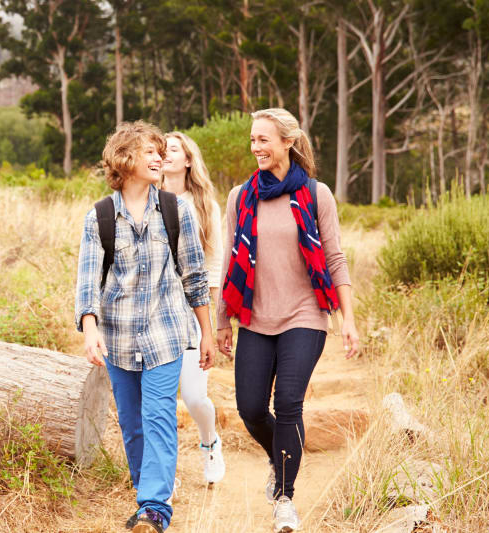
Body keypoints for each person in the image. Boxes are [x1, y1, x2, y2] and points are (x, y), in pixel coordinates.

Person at [216, 108, 360, 533]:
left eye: (263, 139)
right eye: (252, 140)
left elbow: (334, 258)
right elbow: (228, 260)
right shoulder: (240, 197)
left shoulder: (316, 194)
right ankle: (279, 455)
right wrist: (223, 319)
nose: (256, 147)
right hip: (256, 318)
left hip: (305, 314)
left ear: (287, 143)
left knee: (289, 403)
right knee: (251, 408)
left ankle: (285, 497)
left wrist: (348, 318)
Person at [75, 121, 215, 533]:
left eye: (161, 151)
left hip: (166, 333)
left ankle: (155, 509)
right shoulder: (98, 216)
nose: (159, 157)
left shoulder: (177, 210)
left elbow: (194, 275)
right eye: (148, 151)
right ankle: (147, 498)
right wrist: (89, 328)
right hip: (117, 337)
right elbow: (88, 281)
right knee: (133, 425)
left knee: (158, 417)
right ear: (124, 160)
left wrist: (206, 332)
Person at [161, 131, 225, 484]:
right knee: (160, 399)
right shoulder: (149, 199)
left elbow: (213, 267)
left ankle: (210, 442)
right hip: (156, 312)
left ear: (188, 160)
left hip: (191, 310)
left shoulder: (204, 207)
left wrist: (211, 329)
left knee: (195, 396)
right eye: (163, 150)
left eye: (174, 150)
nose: (166, 155)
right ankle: (162, 474)